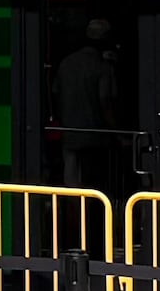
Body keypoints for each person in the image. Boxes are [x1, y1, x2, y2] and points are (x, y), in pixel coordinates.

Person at [53, 17, 130, 194]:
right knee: (95, 187)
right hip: (96, 137)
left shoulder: (66, 64)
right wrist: (117, 133)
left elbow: (56, 93)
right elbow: (106, 103)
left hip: (69, 134)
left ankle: (74, 219)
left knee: (71, 185)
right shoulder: (102, 67)